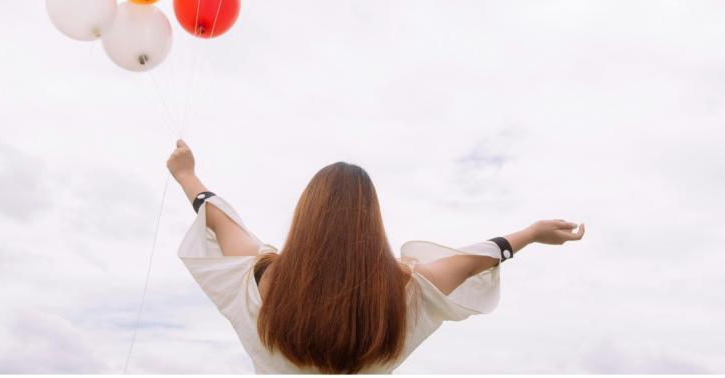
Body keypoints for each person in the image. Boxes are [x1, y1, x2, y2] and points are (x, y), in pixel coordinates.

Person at [169, 139, 585, 374]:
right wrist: (529, 234)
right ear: (371, 222)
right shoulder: (401, 290)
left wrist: (187, 175)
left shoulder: (264, 280)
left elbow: (222, 222)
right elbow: (476, 257)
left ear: (305, 216)